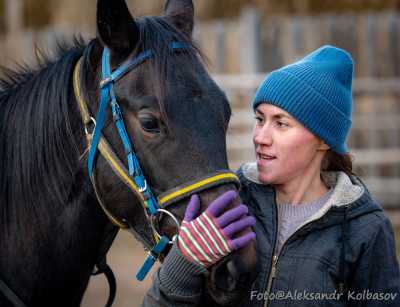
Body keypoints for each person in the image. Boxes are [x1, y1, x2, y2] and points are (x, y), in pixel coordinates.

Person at [142, 45, 400, 306]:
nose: (260, 137)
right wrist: (181, 266)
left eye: (281, 123)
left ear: (323, 139)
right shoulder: (228, 205)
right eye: (259, 119)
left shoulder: (365, 230)